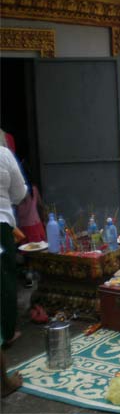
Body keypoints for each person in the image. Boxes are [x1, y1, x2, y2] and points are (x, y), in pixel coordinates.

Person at [0, 146, 27, 346]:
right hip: (1, 223)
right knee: (5, 278)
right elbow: (19, 192)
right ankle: (7, 332)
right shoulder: (3, 154)